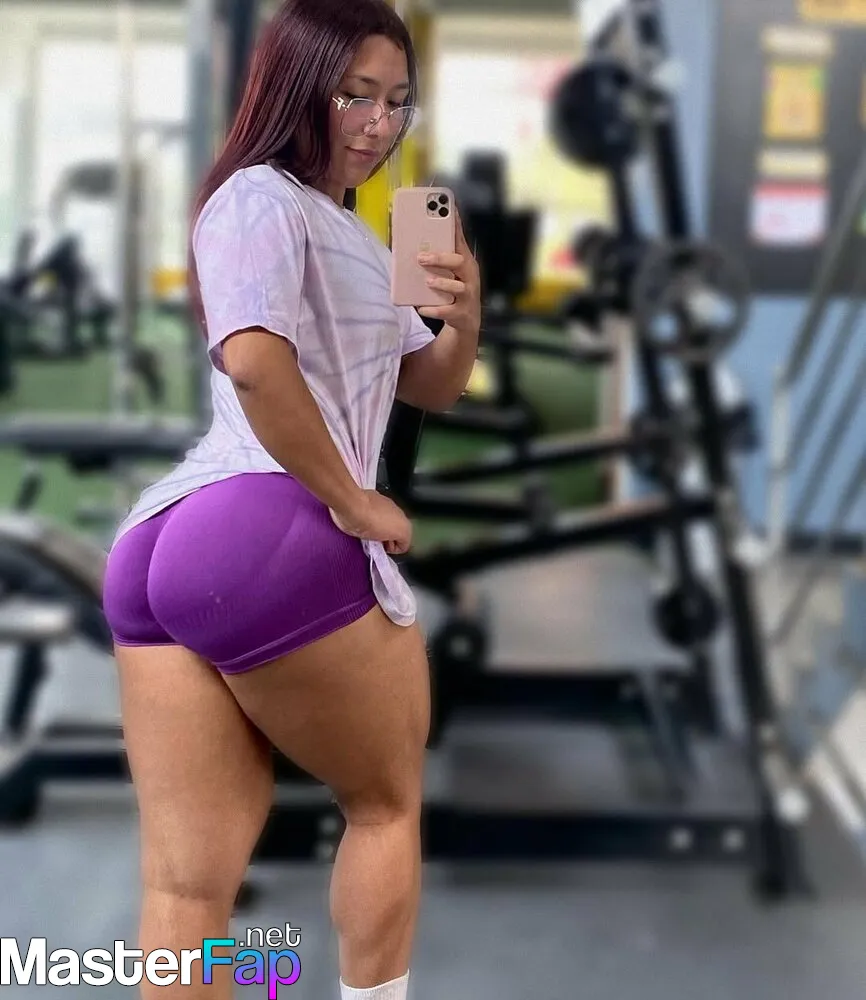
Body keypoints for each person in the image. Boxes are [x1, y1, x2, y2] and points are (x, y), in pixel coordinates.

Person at [100, 1, 481, 997]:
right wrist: (351, 499)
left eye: (395, 101)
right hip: (266, 524)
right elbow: (256, 363)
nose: (376, 121)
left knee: (185, 886)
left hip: (167, 547)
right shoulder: (257, 197)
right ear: (294, 85)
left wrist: (463, 314)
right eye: (353, 93)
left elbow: (428, 385)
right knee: (384, 807)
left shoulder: (351, 231)